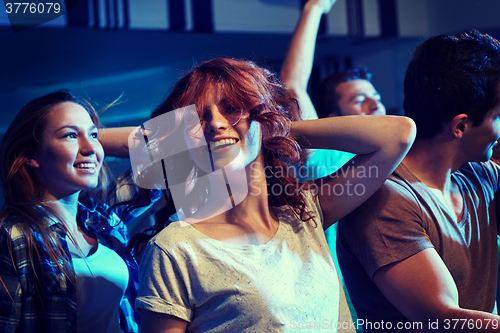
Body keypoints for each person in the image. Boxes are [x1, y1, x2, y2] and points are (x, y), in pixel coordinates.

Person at [132, 57, 415, 332]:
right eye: (198, 118)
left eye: (231, 108)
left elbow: (398, 134)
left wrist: (273, 127)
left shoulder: (305, 214)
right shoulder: (174, 248)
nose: (215, 123)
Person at [337, 30, 500, 332]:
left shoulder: (481, 175)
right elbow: (442, 318)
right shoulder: (385, 201)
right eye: (498, 116)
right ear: (461, 125)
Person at [0, 91, 158, 333]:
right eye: (70, 135)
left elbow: (177, 146)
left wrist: (86, 136)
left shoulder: (104, 221)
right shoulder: (12, 236)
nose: (91, 148)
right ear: (31, 155)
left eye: (94, 135)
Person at [280, 0, 386, 181]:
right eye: (359, 100)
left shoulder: (402, 151)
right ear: (334, 119)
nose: (376, 105)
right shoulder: (326, 156)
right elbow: (292, 87)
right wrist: (315, 7)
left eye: (376, 97)